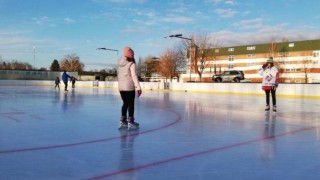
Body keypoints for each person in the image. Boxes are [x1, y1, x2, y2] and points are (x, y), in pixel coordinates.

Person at [117, 46, 142, 130]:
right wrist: (138, 87)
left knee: (125, 103)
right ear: (130, 55)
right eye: (133, 54)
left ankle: (122, 121)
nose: (133, 55)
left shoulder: (120, 63)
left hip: (121, 87)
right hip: (129, 87)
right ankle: (130, 122)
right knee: (131, 104)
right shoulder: (131, 63)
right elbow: (134, 76)